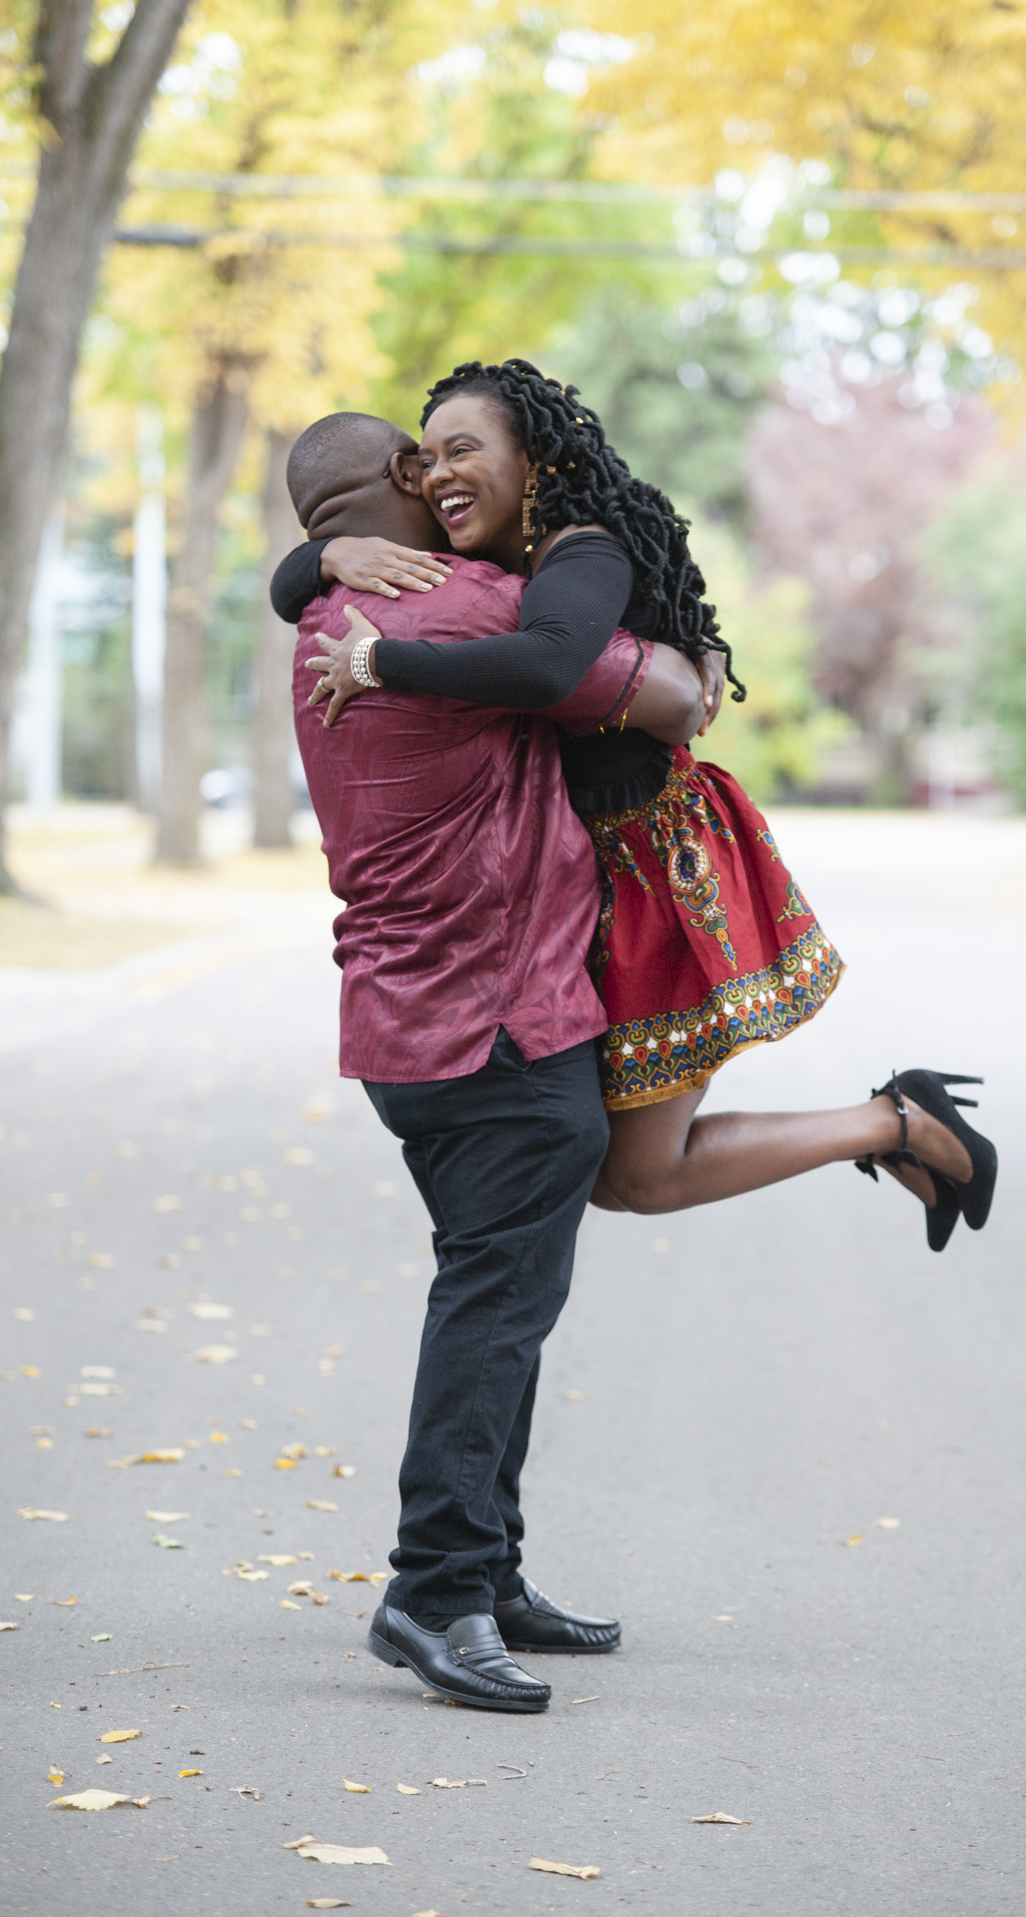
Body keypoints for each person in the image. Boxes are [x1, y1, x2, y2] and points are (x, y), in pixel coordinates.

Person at [276, 362, 997, 1252]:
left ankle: (897, 1122)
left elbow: (549, 665)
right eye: (424, 461)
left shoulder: (582, 547)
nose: (436, 477)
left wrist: (381, 663)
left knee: (640, 1177)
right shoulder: (471, 562)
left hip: (651, 863)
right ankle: (895, 1122)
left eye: (462, 451)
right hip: (573, 880)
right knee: (626, 1180)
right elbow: (293, 587)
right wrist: (322, 555)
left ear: (533, 458)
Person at [282, 408, 710, 1715]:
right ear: (406, 481)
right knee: (492, 1310)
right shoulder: (474, 615)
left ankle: (491, 1571)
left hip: (405, 1031)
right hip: (504, 1032)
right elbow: (674, 693)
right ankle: (436, 1590)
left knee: (501, 1306)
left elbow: (305, 577)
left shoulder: (320, 623)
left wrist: (312, 568)